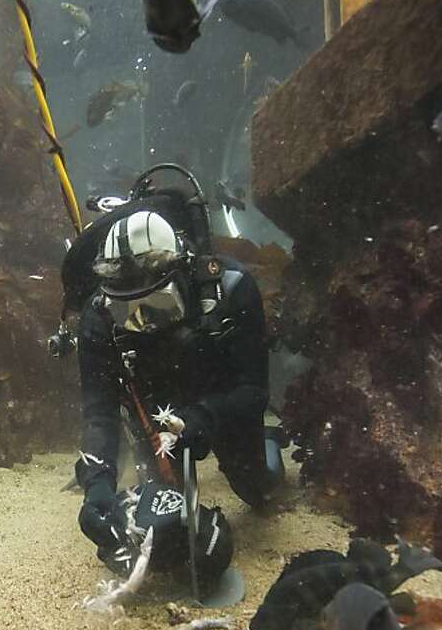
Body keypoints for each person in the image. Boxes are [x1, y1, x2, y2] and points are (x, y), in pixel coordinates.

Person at [73, 208, 285, 576]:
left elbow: (253, 390)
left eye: (156, 306)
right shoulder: (98, 318)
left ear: (182, 274)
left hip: (223, 398)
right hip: (154, 411)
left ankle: (268, 448)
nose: (144, 325)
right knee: (161, 517)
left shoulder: (231, 290)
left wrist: (203, 417)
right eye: (127, 311)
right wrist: (97, 483)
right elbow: (99, 412)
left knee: (259, 491)